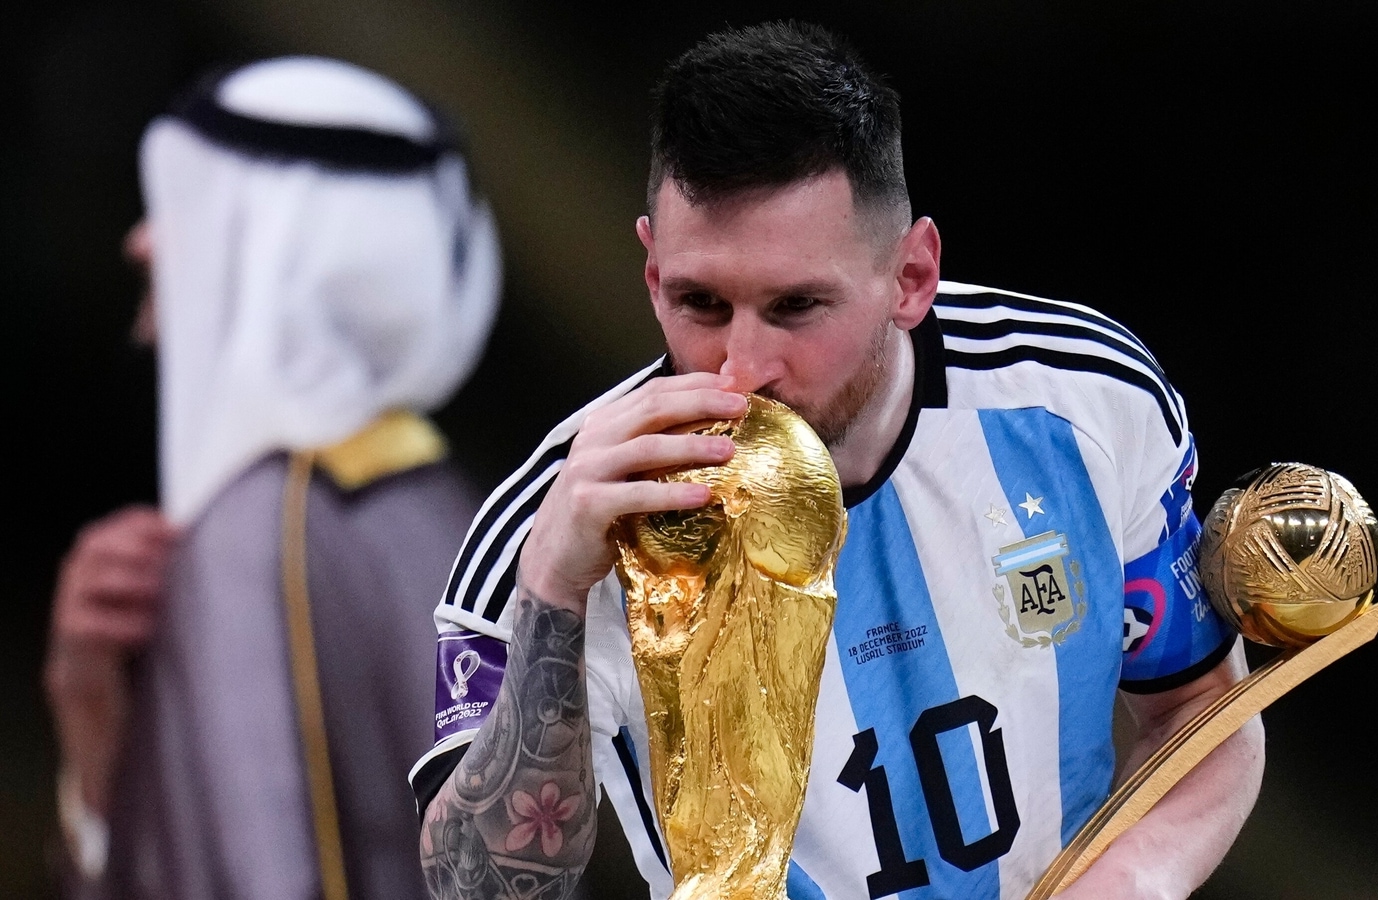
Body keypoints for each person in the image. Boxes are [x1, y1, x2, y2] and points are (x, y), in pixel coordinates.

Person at [412, 20, 1264, 900]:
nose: (742, 368)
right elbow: (478, 888)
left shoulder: (1088, 402)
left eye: (794, 307)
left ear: (911, 277)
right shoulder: (549, 526)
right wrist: (551, 591)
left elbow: (1202, 711)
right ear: (651, 272)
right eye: (700, 302)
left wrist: (1129, 882)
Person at [44, 56, 501, 900]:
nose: (140, 242)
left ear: (278, 244)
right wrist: (97, 735)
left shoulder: (253, 533)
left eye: (179, 207)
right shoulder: (451, 510)